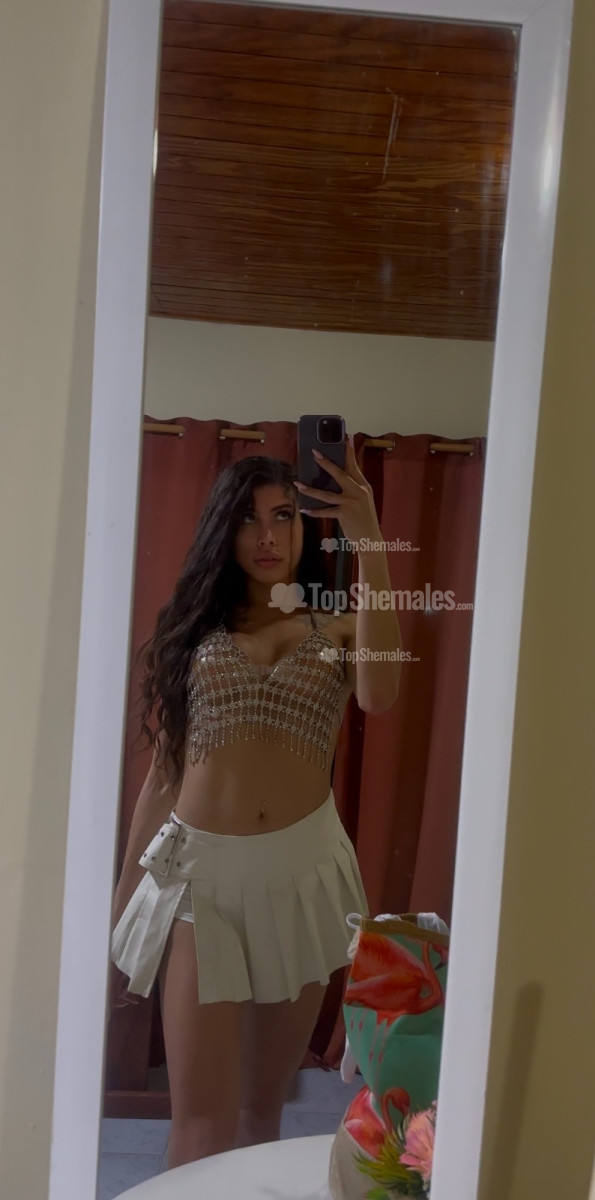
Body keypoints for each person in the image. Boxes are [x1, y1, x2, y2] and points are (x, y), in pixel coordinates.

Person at [109, 439, 402, 1168]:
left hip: (301, 876)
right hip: (202, 884)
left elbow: (380, 693)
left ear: (308, 528)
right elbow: (165, 773)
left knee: (258, 1114)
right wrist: (122, 900)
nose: (267, 536)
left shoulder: (341, 623)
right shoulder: (194, 630)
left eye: (284, 516)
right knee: (199, 1123)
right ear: (223, 528)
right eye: (247, 517)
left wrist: (368, 538)